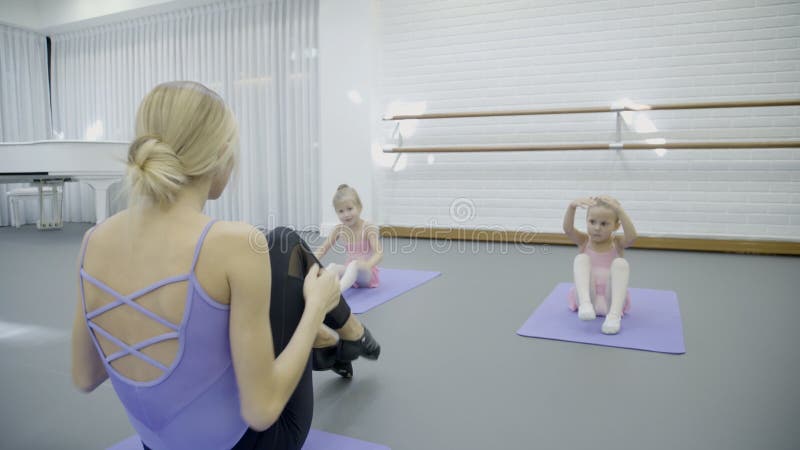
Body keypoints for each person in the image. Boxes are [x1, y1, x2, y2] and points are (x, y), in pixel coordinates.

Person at [71, 81, 379, 450]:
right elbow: (262, 411)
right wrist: (314, 308)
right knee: (284, 242)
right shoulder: (232, 244)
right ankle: (347, 335)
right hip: (252, 443)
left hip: (155, 445)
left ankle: (342, 338)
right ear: (220, 155)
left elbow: (85, 376)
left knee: (279, 246)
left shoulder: (93, 242)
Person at [562, 195, 637, 334]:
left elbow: (632, 237)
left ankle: (613, 317)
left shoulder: (618, 243)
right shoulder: (584, 241)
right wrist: (572, 207)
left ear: (616, 226)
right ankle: (585, 304)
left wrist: (619, 211)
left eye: (604, 224)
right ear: (586, 221)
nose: (597, 228)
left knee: (621, 263)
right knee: (581, 258)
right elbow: (568, 230)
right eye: (592, 221)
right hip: (588, 299)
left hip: (611, 301)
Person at [314, 184, 383, 292]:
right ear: (336, 212)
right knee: (333, 267)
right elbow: (322, 249)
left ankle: (337, 292)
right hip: (350, 272)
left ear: (359, 207)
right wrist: (308, 262)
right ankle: (316, 289)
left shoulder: (368, 227)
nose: (346, 214)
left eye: (350, 209)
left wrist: (367, 265)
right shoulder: (339, 229)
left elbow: (379, 253)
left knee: (354, 264)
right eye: (341, 211)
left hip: (367, 274)